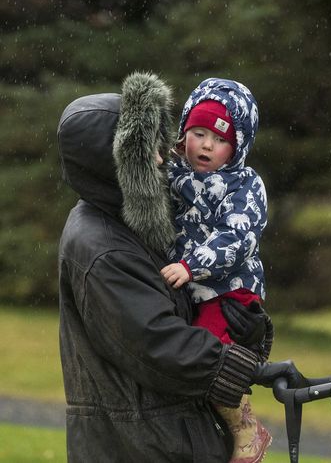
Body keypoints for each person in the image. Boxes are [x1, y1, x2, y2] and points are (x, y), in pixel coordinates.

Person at [57, 71, 303, 462]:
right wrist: (246, 367)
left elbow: (192, 303)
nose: (160, 158)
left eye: (159, 144)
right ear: (111, 162)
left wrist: (247, 326)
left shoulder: (142, 220)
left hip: (169, 437)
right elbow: (157, 344)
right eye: (144, 152)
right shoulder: (101, 246)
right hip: (138, 446)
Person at [159, 78, 272, 463]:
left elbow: (238, 237)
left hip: (230, 288)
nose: (206, 145)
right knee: (192, 360)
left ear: (237, 147)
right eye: (198, 132)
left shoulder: (243, 184)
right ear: (183, 133)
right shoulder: (176, 174)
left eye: (220, 139)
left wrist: (191, 266)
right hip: (191, 285)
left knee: (209, 359)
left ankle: (246, 428)